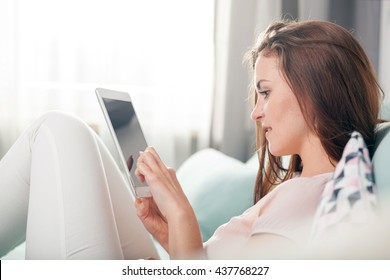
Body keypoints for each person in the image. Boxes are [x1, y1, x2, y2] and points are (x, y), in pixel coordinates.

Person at [0, 19, 382, 260]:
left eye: (265, 92)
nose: (256, 112)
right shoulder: (303, 188)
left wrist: (182, 212)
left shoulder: (309, 195)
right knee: (73, 137)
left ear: (313, 92)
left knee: (57, 131)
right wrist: (173, 234)